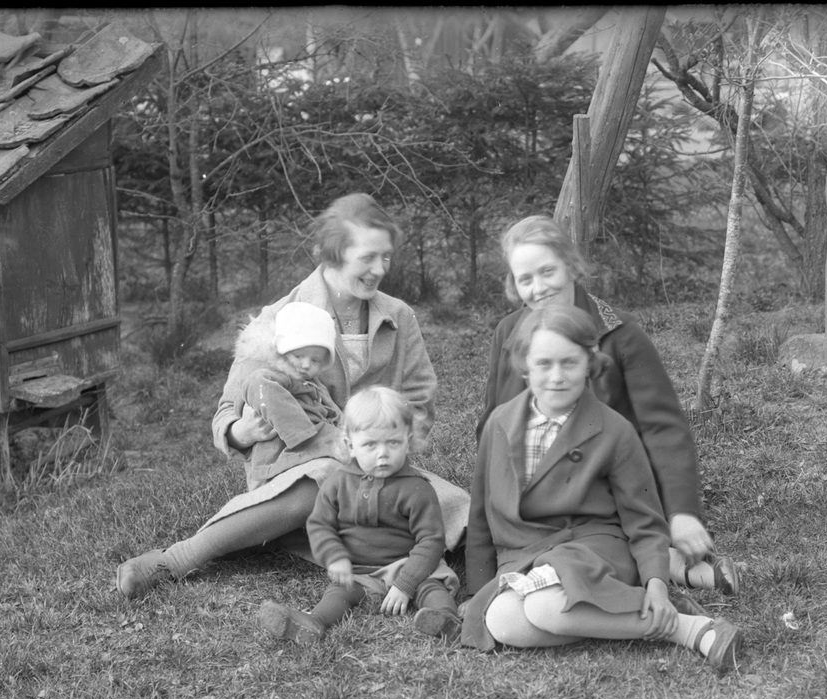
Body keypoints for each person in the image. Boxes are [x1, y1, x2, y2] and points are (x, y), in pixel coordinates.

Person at [116, 194, 469, 598]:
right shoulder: (280, 319)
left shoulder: (399, 316)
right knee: (325, 476)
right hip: (296, 473)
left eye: (386, 257)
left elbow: (420, 397)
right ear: (333, 253)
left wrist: (386, 444)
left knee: (459, 507)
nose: (380, 269)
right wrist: (240, 432)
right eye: (368, 258)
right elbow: (226, 411)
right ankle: (179, 557)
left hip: (377, 464)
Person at [459, 305, 743, 670]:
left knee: (544, 607)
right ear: (524, 367)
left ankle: (690, 629)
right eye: (544, 364)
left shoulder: (614, 430)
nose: (557, 377)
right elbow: (481, 512)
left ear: (589, 363)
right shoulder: (499, 422)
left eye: (570, 363)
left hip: (595, 548)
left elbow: (645, 521)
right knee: (502, 621)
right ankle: (618, 609)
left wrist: (656, 583)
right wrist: (477, 588)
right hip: (527, 553)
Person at [477, 215, 739, 596]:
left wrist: (681, 512)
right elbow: (493, 424)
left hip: (609, 495)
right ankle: (676, 569)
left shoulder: (620, 333)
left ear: (571, 265)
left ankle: (669, 568)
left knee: (600, 546)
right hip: (535, 496)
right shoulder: (508, 333)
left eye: (548, 271)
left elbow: (663, 428)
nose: (539, 288)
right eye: (525, 279)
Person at [257, 387, 460, 643]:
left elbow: (431, 541)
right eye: (370, 444)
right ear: (350, 446)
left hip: (407, 564)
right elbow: (320, 525)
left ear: (408, 440)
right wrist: (334, 556)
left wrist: (405, 584)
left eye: (393, 442)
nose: (382, 453)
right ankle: (312, 623)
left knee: (431, 585)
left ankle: (445, 618)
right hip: (360, 571)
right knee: (339, 593)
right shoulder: (337, 484)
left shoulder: (417, 488)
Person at [238, 301, 347, 488]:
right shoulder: (269, 376)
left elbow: (332, 409)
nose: (306, 364)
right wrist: (305, 436)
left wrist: (343, 430)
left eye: (315, 360)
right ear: (282, 350)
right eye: (298, 356)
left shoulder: (312, 382)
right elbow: (257, 385)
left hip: (312, 452)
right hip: (281, 460)